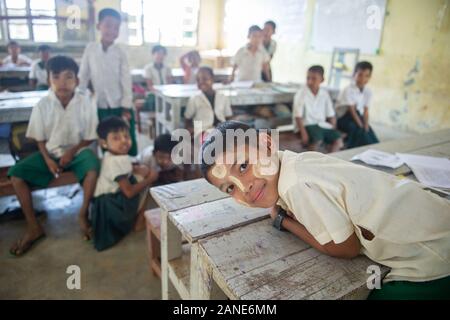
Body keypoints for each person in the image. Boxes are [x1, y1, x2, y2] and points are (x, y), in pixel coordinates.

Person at [200, 121, 450, 299]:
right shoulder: (295, 162)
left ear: (266, 145)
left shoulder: (295, 184)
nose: (244, 187)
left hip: (432, 259)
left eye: (243, 165)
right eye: (229, 188)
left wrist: (283, 221)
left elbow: (345, 248)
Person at [8, 56, 100, 255]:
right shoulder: (42, 104)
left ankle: (83, 214)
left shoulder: (86, 102)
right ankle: (33, 227)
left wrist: (72, 151)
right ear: (49, 79)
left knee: (92, 167)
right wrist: (48, 159)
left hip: (78, 151)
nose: (62, 83)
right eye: (56, 77)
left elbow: (90, 137)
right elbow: (39, 139)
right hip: (49, 153)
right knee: (16, 174)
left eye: (68, 77)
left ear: (76, 80)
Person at [92, 116, 158, 251]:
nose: (124, 141)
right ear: (103, 143)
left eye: (126, 136)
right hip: (111, 207)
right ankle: (138, 223)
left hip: (104, 203)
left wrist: (139, 169)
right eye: (116, 138)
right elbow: (129, 192)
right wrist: (150, 179)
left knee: (142, 172)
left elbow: (129, 164)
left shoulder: (113, 156)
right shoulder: (116, 161)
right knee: (146, 183)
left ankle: (136, 219)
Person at [78, 8, 137, 156]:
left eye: (116, 27)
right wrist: (78, 97)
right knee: (107, 138)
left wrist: (126, 106)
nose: (112, 30)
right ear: (99, 26)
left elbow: (126, 79)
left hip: (119, 104)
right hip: (100, 104)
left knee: (124, 137)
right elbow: (83, 75)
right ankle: (109, 166)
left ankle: (129, 166)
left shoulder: (120, 51)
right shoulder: (90, 49)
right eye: (108, 25)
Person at [293, 65, 343, 152]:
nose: (310, 81)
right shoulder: (301, 93)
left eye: (314, 79)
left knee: (338, 140)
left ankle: (329, 160)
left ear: (322, 80)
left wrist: (333, 128)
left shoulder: (324, 93)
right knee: (317, 140)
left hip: (321, 125)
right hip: (307, 125)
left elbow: (331, 115)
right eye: (308, 78)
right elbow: (298, 116)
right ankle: (311, 162)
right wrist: (303, 133)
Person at [336, 61, 379, 148]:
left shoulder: (368, 91)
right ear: (354, 75)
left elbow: (366, 110)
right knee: (357, 129)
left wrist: (366, 126)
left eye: (366, 76)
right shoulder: (348, 89)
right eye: (360, 75)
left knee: (368, 131)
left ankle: (375, 147)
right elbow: (352, 111)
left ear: (369, 77)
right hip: (343, 118)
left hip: (358, 115)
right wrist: (361, 126)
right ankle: (351, 148)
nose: (362, 79)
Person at [185, 66, 233, 134]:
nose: (201, 82)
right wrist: (190, 132)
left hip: (221, 131)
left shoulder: (223, 97)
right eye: (198, 80)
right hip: (202, 132)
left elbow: (228, 117)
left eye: (205, 79)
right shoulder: (194, 99)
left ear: (212, 79)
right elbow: (188, 119)